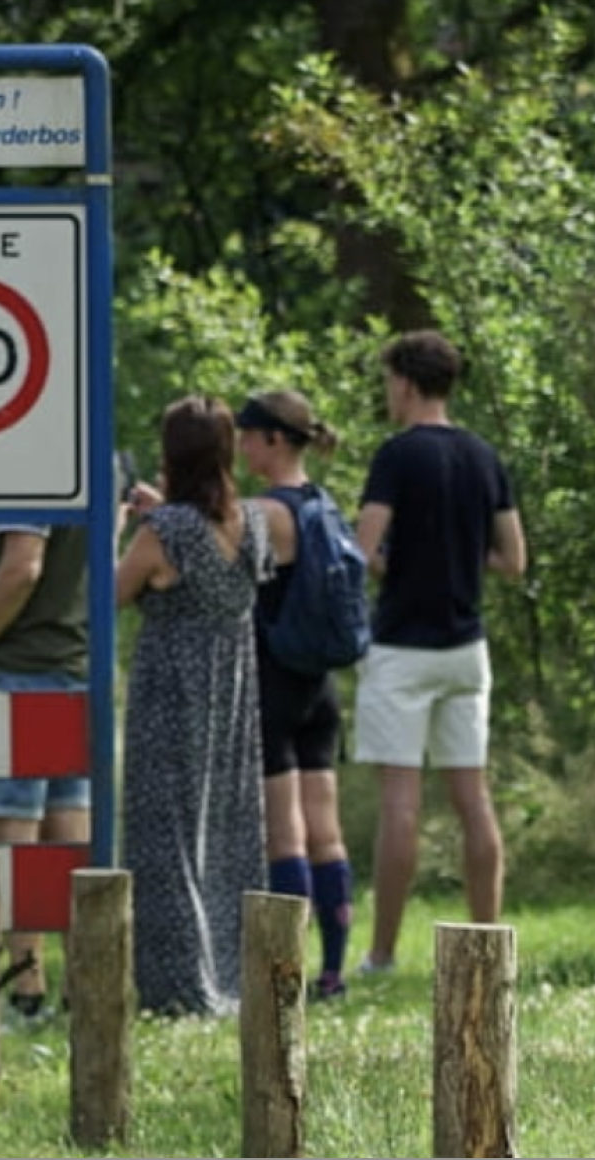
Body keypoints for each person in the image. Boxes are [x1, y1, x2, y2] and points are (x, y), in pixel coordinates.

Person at [349, 330, 526, 975]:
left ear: (407, 382)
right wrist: (456, 556)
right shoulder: (484, 456)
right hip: (465, 647)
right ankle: (487, 946)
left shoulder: (397, 456)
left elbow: (362, 550)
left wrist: (400, 563)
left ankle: (383, 954)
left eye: (389, 381)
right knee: (472, 797)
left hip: (401, 647)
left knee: (402, 800)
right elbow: (513, 560)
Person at [112, 396, 283, 1016]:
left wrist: (117, 524)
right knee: (229, 836)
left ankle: (179, 986)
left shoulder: (165, 533)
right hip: (234, 704)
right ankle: (233, 977)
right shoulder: (256, 522)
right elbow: (216, 544)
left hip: (170, 703)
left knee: (166, 841)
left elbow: (114, 593)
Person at [0, 518, 96, 1029]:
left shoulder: (33, 473)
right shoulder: (101, 467)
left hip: (21, 668)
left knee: (13, 834)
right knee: (69, 835)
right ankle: (84, 985)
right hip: (78, 667)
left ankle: (26, 991)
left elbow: (22, 567)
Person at [237, 390, 360, 999]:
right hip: (322, 686)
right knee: (327, 833)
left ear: (274, 440)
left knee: (285, 837)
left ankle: (287, 971)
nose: (240, 445)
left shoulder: (262, 512)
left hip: (274, 682)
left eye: (248, 434)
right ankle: (334, 972)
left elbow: (213, 550)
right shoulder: (324, 504)